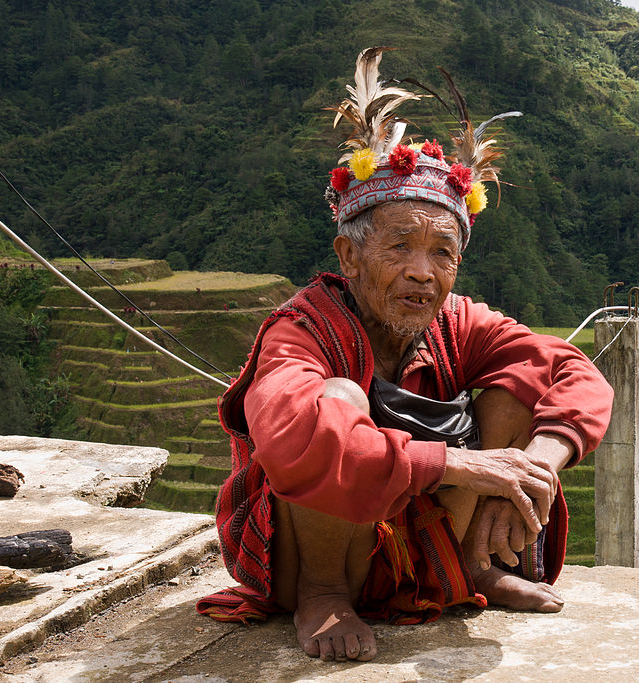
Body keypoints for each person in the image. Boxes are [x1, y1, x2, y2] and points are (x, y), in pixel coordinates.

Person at [196, 48, 613, 663]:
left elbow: (570, 373)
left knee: (518, 378)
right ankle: (324, 591)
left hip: (418, 547)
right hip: (309, 555)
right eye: (399, 247)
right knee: (336, 400)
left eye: (442, 253)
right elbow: (295, 442)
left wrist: (537, 464)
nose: (423, 274)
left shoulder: (457, 323)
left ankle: (477, 566)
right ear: (349, 256)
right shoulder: (302, 331)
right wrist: (465, 466)